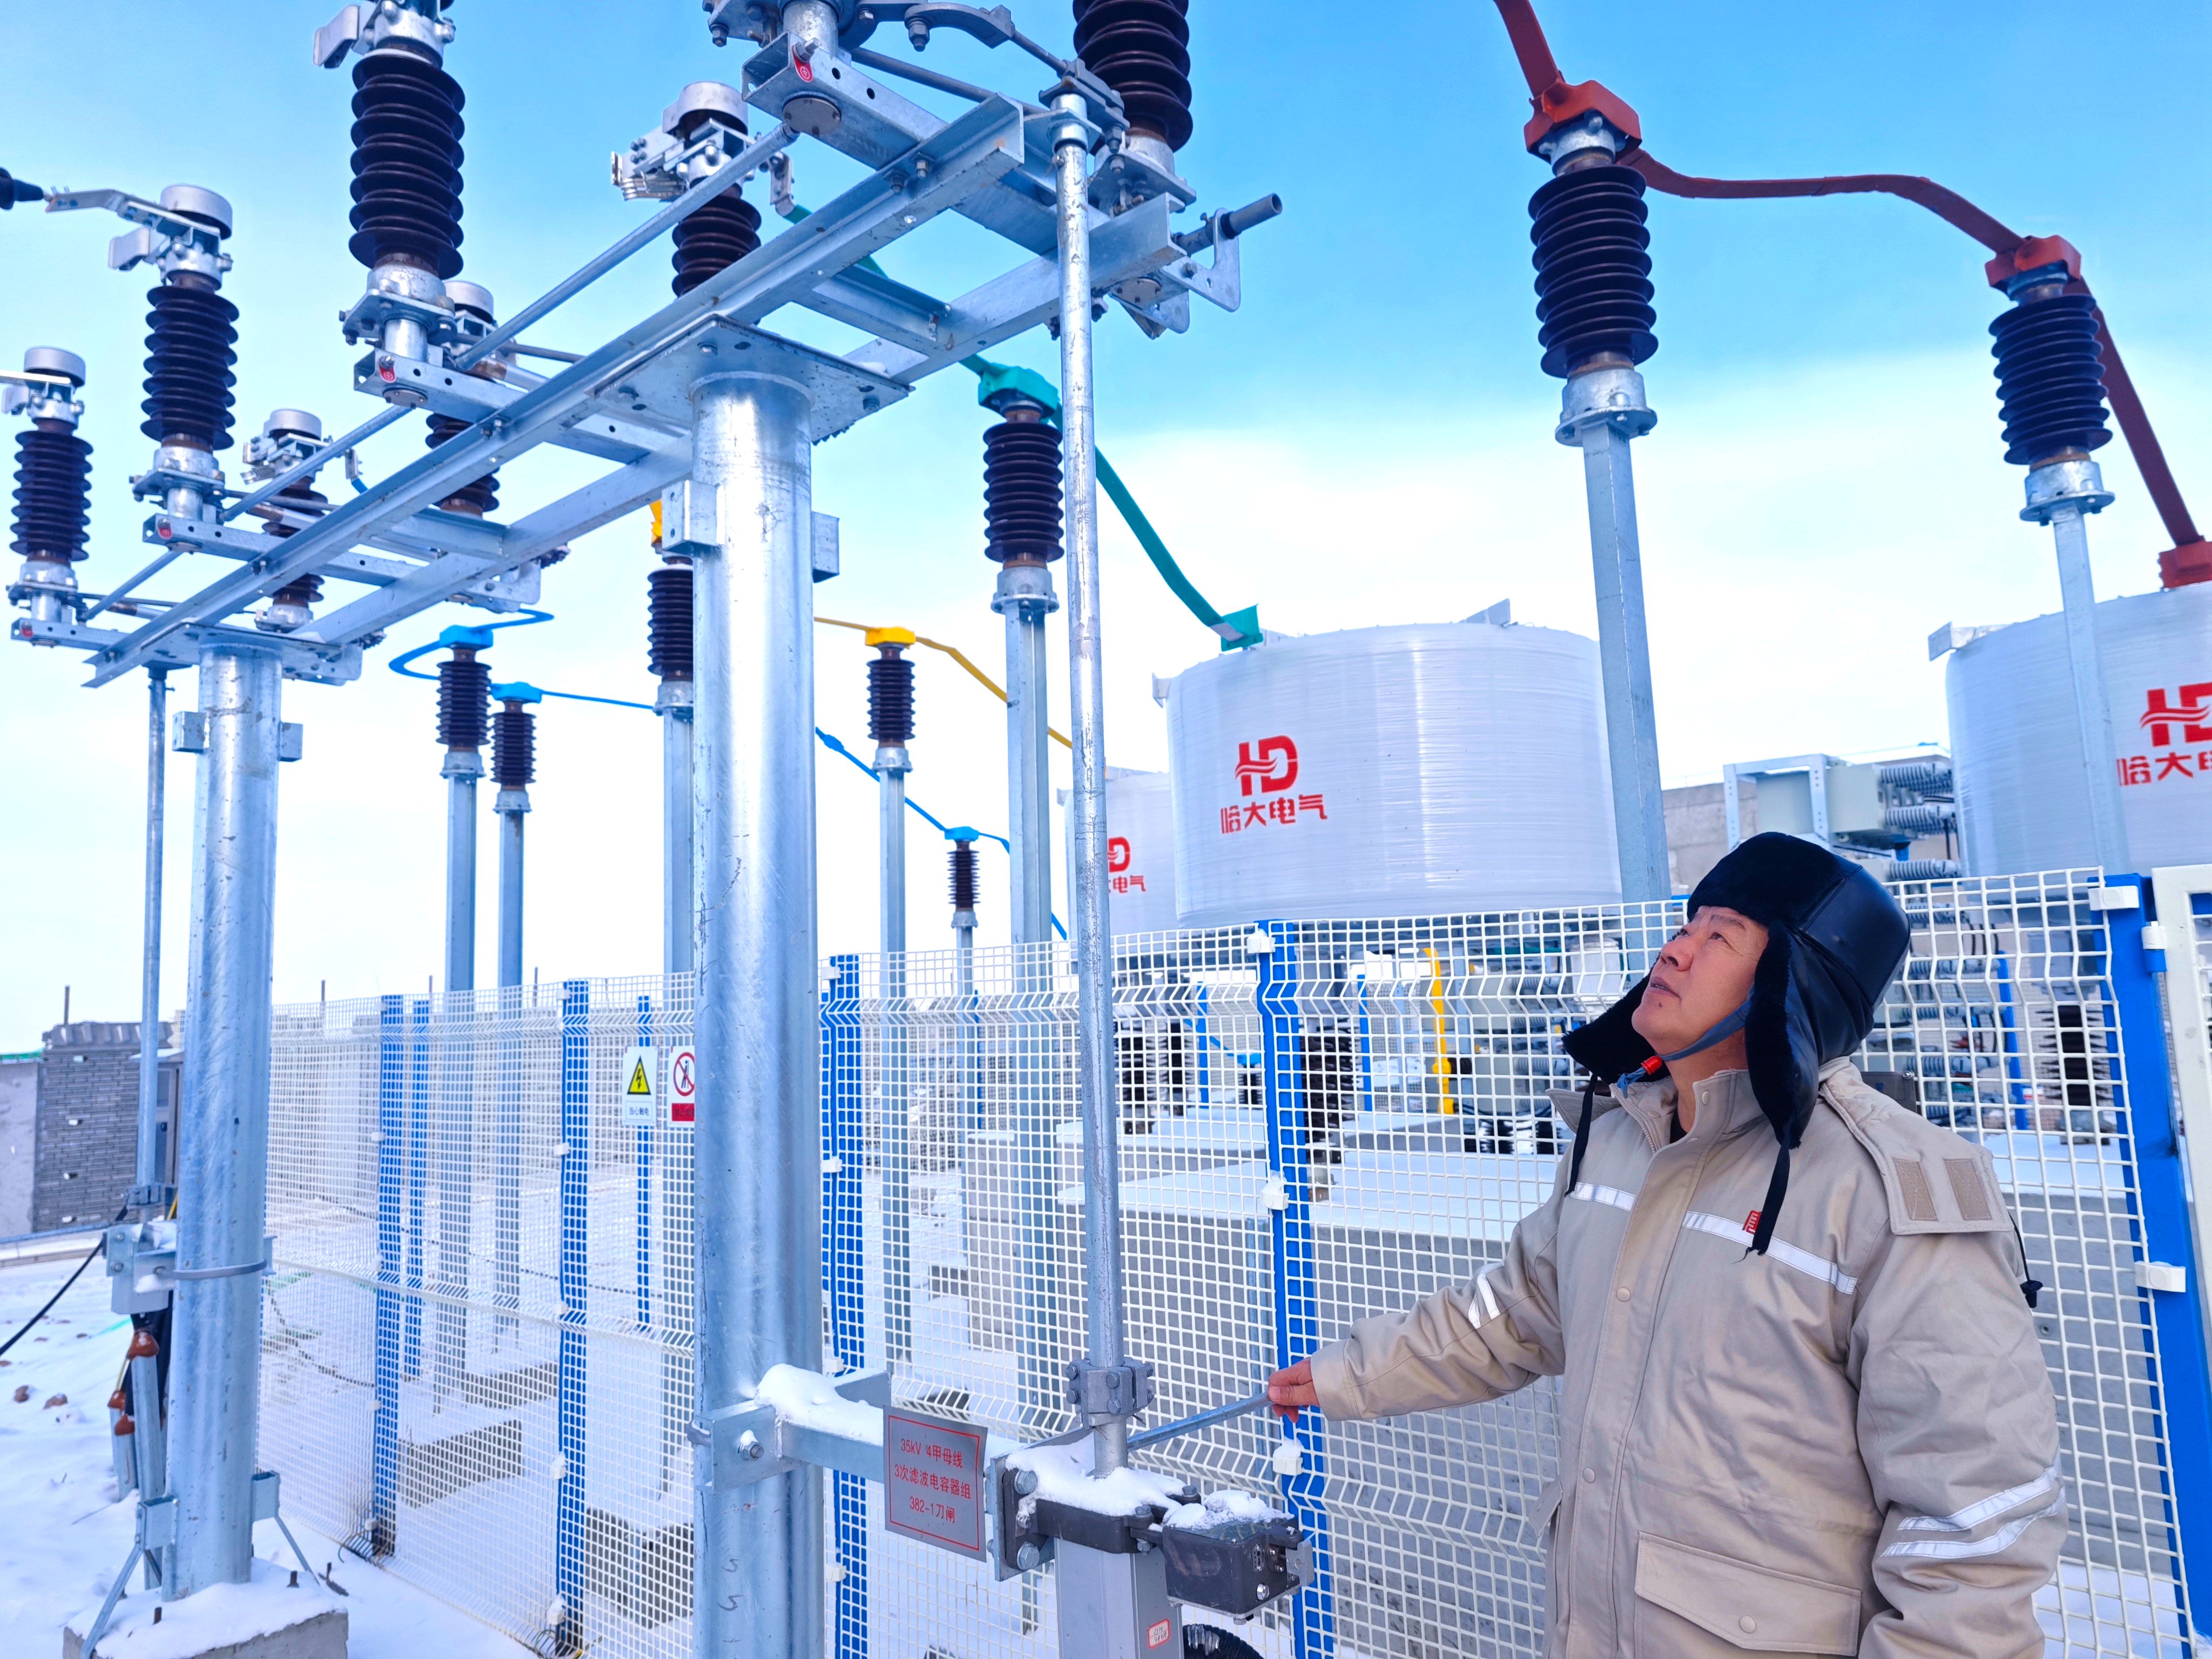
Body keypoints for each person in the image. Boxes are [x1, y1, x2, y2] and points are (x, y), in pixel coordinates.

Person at [1266, 833, 2062, 1657]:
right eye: (1686, 926)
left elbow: (1977, 1515)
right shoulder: (1621, 1142)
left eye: (1722, 937)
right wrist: (1348, 1373)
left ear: (1795, 984)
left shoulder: (1894, 1187)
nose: (1676, 949)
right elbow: (1513, 1312)